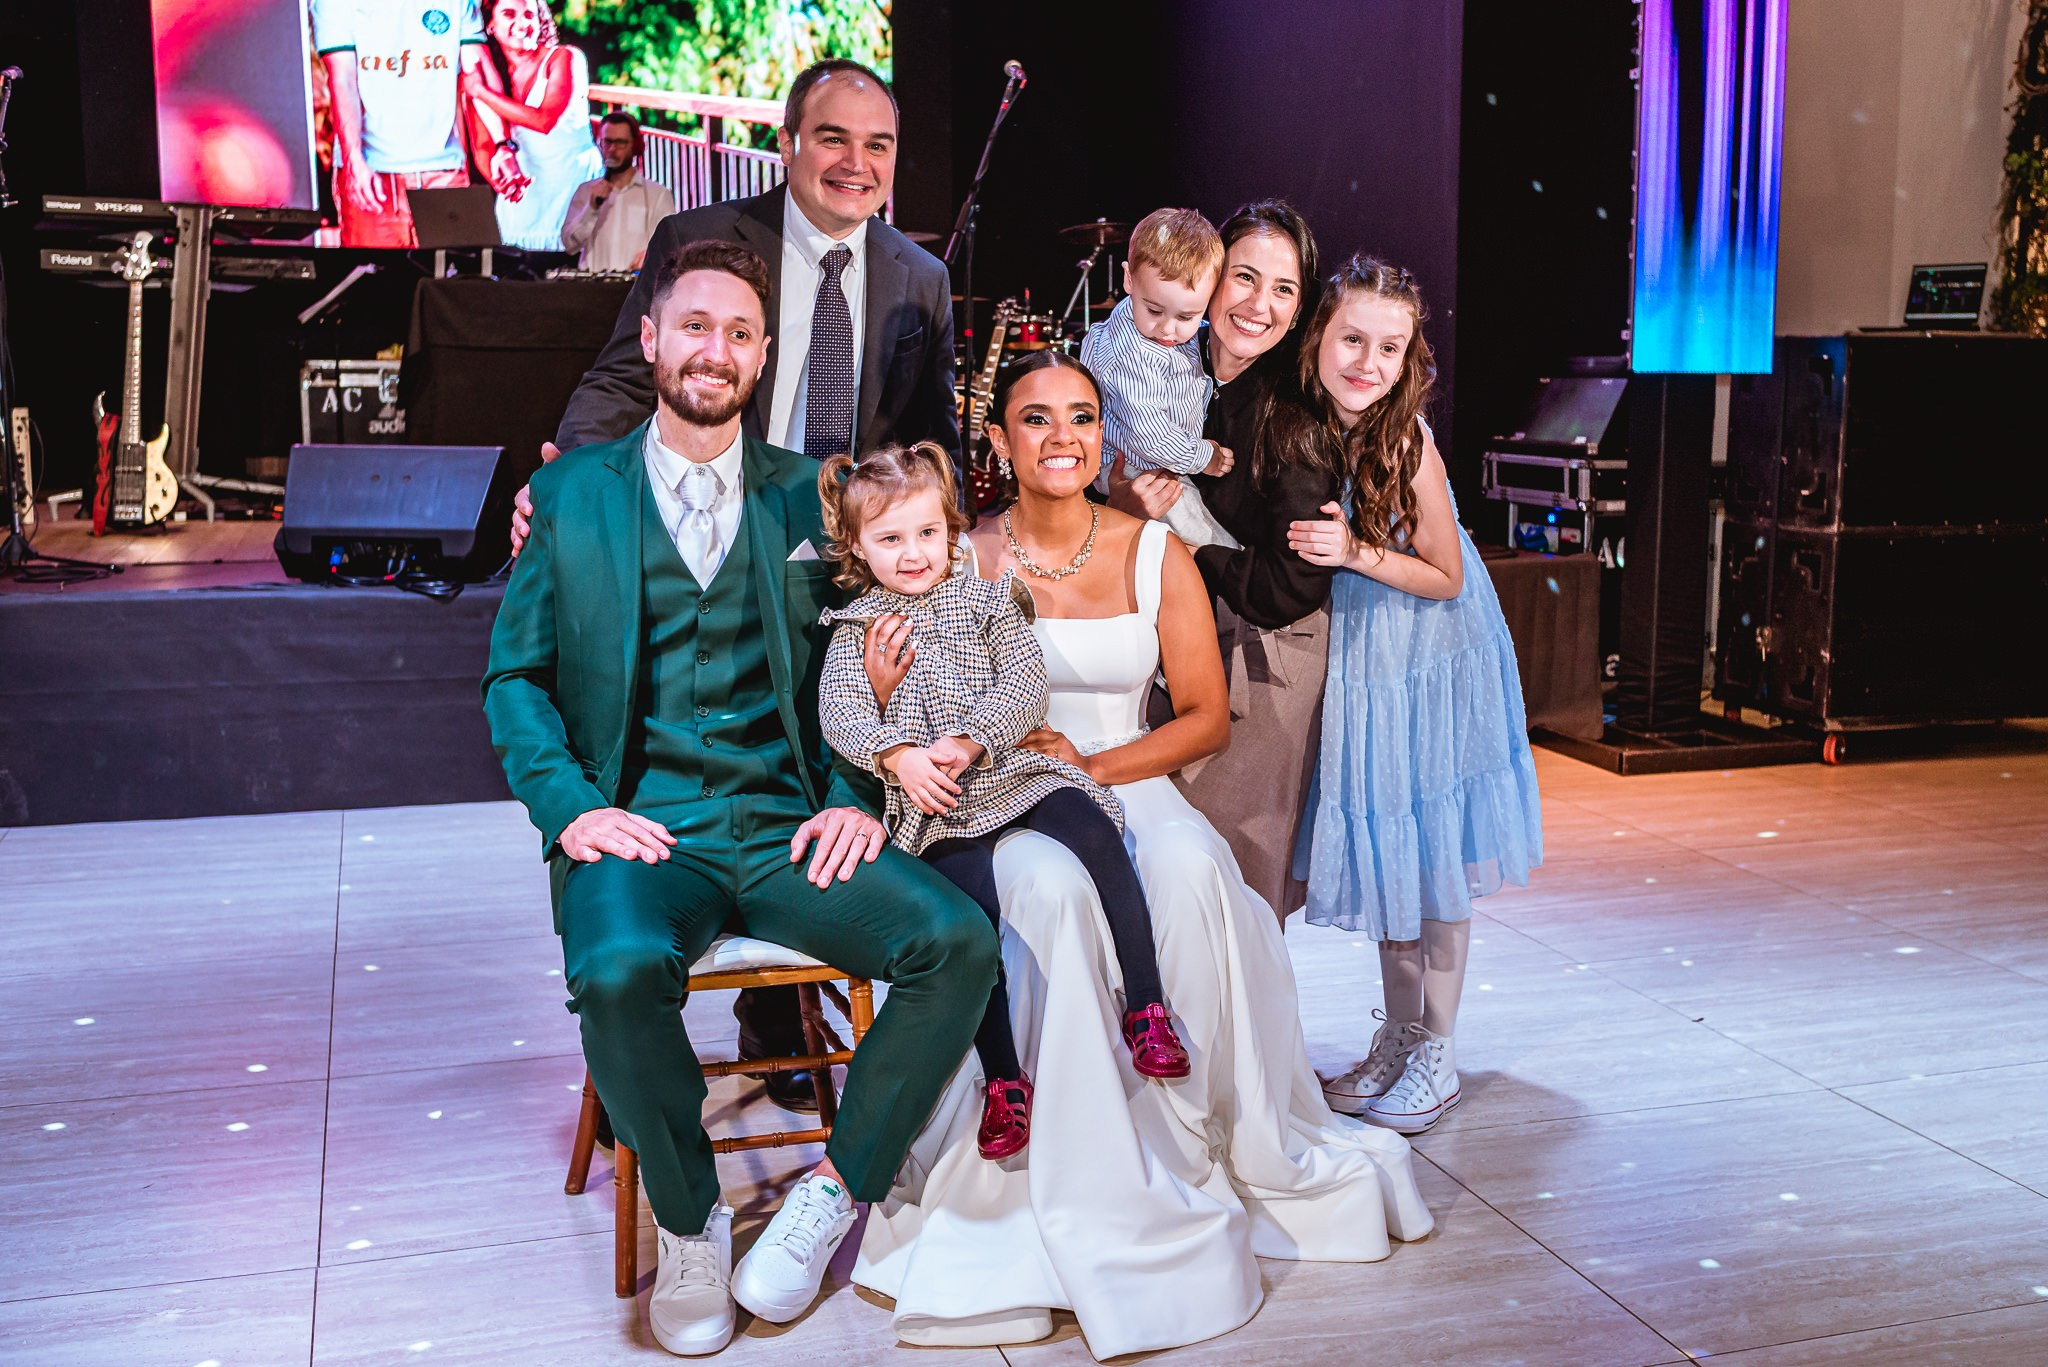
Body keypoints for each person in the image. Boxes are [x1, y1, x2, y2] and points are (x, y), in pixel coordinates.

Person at [851, 352, 1434, 1359]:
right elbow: (920, 696)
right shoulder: (964, 557)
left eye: (1081, 416)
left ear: (1103, 432)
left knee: (1183, 866)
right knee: (1044, 884)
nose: (1063, 436)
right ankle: (1041, 1136)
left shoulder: (1155, 548)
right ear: (997, 441)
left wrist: (1098, 765)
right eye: (1036, 419)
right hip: (1004, 790)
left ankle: (1189, 1136)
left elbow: (1205, 717)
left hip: (1126, 771)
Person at [481, 240, 996, 1356]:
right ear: (653, 340)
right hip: (640, 821)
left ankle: (830, 1192)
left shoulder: (808, 494)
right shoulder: (568, 495)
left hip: (782, 823)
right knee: (616, 969)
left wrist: (859, 786)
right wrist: (569, 806)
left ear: (762, 357)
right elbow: (513, 678)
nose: (716, 350)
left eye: (740, 333)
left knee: (953, 939)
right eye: (695, 326)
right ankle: (690, 1219)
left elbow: (874, 640)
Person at [513, 57, 960, 1111]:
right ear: (789, 143)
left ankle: (781, 988)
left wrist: (925, 543)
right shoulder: (704, 244)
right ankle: (665, 1010)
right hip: (693, 524)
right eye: (833, 138)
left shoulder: (920, 279)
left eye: (878, 144)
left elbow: (929, 436)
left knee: (814, 757)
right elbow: (623, 378)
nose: (856, 162)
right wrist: (565, 485)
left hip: (825, 561)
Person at [814, 442, 1189, 1160]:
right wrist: (900, 754)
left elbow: (1024, 685)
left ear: (951, 529)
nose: (914, 552)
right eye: (890, 539)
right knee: (969, 919)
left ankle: (1146, 1002)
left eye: (927, 532)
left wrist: (975, 739)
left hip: (1009, 770)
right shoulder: (856, 630)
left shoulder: (990, 603)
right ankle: (1003, 1079)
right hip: (936, 803)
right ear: (858, 547)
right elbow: (841, 713)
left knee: (1096, 832)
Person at [1282, 255, 1543, 1133]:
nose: (1368, 362)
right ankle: (1400, 1031)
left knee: (1430, 858)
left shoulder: (1406, 437)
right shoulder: (1315, 424)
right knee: (1391, 853)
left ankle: (1439, 1047)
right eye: (1354, 339)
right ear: (1320, 333)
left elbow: (1445, 572)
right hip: (1370, 654)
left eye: (1389, 347)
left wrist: (1354, 552)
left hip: (1433, 652)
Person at [1112, 199, 1333, 919]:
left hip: (1265, 660)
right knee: (1157, 885)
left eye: (1284, 289)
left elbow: (1286, 587)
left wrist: (1187, 547)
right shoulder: (1162, 366)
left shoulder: (1295, 420)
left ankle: (1240, 1034)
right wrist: (1124, 499)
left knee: (1235, 892)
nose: (1259, 304)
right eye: (1245, 277)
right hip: (1178, 646)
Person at [1079, 206, 1239, 548]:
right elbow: (1150, 436)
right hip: (1139, 468)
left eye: (1187, 316)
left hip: (1165, 456)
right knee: (1205, 537)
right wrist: (1203, 457)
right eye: (1154, 310)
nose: (1167, 329)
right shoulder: (1131, 357)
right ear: (1128, 280)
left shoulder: (1149, 321)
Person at [310, 0, 490, 248]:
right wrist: (354, 162)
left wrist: (501, 146)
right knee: (377, 281)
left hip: (444, 170)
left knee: (454, 280)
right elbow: (342, 80)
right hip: (374, 176)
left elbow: (478, 74)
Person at [458, 0, 603, 251]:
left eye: (529, 15)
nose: (522, 23)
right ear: (490, 24)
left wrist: (480, 91)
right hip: (524, 197)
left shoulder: (565, 57)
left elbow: (544, 120)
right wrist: (503, 183)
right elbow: (482, 143)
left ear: (540, 21)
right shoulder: (491, 75)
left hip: (572, 191)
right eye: (509, 14)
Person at [561, 112, 677, 271]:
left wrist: (652, 255)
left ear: (635, 146)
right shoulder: (586, 191)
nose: (612, 149)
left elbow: (670, 248)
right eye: (607, 142)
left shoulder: (657, 194)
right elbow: (569, 244)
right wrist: (591, 208)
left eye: (620, 143)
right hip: (591, 289)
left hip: (635, 289)